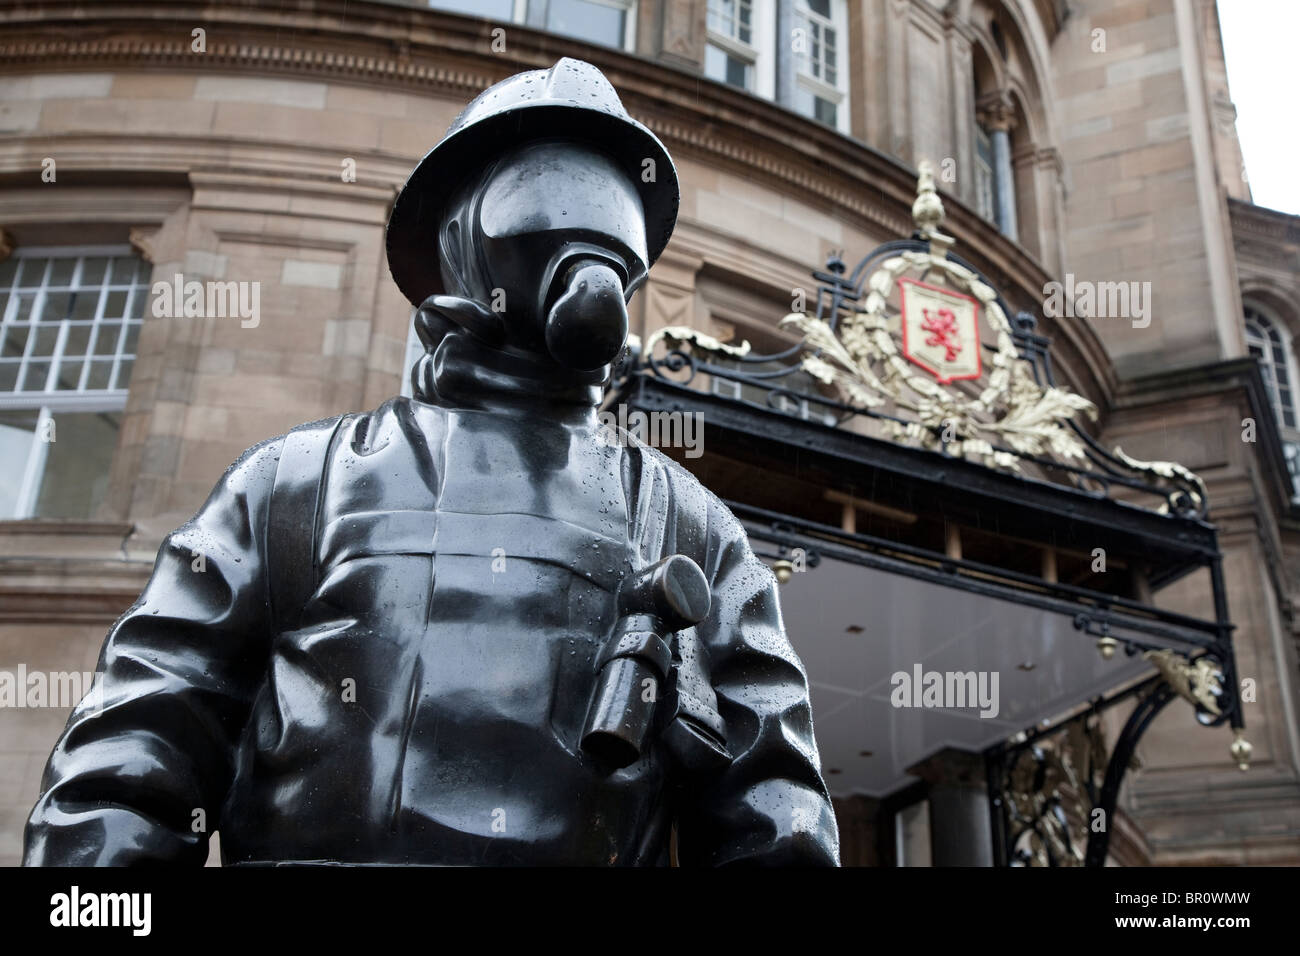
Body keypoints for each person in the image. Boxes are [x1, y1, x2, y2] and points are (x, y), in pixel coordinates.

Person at [25, 58, 839, 867]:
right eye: (541, 194)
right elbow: (132, 761)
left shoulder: (692, 530)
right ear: (460, 238)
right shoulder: (292, 485)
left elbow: (777, 816)